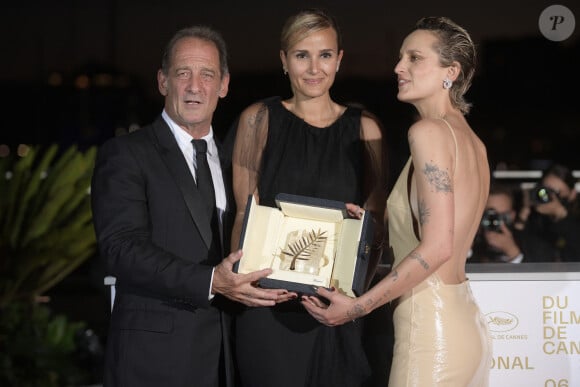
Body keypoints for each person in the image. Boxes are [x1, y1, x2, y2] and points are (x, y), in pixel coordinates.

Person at [91, 25, 290, 387]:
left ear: (224, 85)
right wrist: (212, 280)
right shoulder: (126, 154)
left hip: (226, 360)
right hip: (153, 362)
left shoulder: (236, 164)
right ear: (163, 81)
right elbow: (121, 248)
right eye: (183, 73)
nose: (195, 86)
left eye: (207, 74)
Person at [303, 16, 492, 386]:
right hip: (465, 324)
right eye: (400, 57)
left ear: (449, 71)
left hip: (430, 333)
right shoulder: (473, 142)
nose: (398, 67)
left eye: (414, 58)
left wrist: (357, 307)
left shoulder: (427, 132)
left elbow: (437, 247)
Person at [228, 9, 386, 387]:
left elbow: (377, 225)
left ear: (339, 59)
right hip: (268, 304)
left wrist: (354, 301)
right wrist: (243, 287)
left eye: (325, 55)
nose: (314, 68)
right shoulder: (258, 120)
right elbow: (242, 215)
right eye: (302, 55)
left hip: (335, 308)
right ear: (284, 60)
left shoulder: (365, 128)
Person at [470, 182, 555, 263]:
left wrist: (513, 252)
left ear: (512, 215)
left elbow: (540, 275)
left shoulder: (532, 244)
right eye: (491, 215)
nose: (496, 220)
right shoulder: (472, 243)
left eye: (503, 216)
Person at [522, 163, 580, 261]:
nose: (549, 197)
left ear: (572, 194)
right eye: (545, 191)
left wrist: (561, 215)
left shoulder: (575, 220)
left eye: (556, 192)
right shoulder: (534, 218)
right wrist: (523, 216)